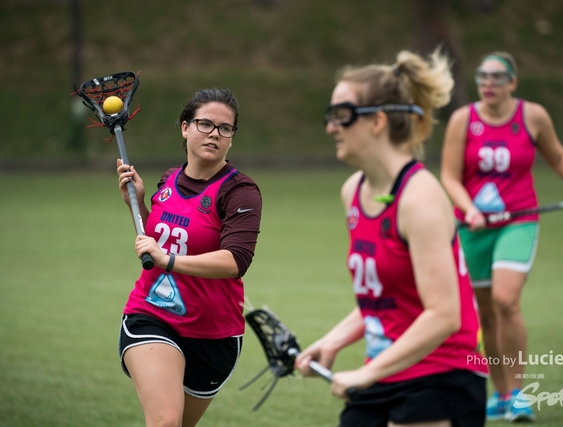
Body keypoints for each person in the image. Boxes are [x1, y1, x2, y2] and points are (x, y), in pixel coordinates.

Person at [295, 50, 489, 427]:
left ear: (377, 121)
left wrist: (366, 374)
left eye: (341, 115)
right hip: (389, 369)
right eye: (330, 116)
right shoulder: (353, 191)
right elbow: (385, 296)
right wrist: (333, 340)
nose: (331, 127)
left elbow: (444, 314)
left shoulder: (420, 198)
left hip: (443, 374)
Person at [440, 52, 563, 422]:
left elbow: (558, 157)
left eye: (498, 77)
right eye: (483, 76)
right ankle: (500, 394)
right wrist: (469, 208)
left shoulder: (532, 116)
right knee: (484, 314)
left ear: (513, 82)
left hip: (518, 221)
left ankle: (518, 393)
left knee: (506, 300)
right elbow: (450, 176)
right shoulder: (462, 120)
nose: (489, 83)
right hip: (474, 228)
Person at [116, 87, 262, 427]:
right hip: (151, 315)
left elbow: (235, 261)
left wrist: (168, 260)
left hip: (215, 334)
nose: (215, 133)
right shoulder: (169, 179)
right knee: (165, 422)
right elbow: (158, 245)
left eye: (225, 128)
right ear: (185, 128)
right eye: (205, 124)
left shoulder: (240, 191)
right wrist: (135, 203)